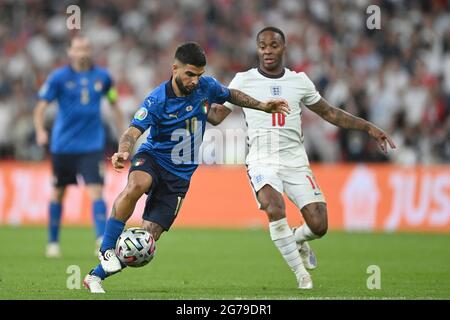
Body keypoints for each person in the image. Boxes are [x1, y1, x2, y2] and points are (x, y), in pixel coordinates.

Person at [83, 42, 290, 293]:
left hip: (180, 175)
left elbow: (230, 95)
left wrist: (263, 105)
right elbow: (132, 131)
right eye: (190, 74)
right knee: (138, 184)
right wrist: (124, 151)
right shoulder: (157, 99)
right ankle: (106, 248)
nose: (194, 80)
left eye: (199, 75)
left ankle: (95, 276)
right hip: (154, 158)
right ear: (175, 69)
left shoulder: (206, 86)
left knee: (147, 240)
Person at [207, 27, 396, 289]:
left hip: (296, 161)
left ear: (284, 48)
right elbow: (216, 117)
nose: (267, 50)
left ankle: (297, 238)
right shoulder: (242, 80)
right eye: (262, 45)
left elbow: (329, 113)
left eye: (273, 45)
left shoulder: (299, 81)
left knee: (319, 224)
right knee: (275, 208)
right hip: (262, 160)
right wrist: (193, 101)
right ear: (257, 49)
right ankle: (301, 275)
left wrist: (367, 127)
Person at [34, 36, 124, 258]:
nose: (82, 52)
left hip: (92, 145)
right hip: (63, 145)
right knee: (58, 192)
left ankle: (101, 240)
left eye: (85, 48)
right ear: (70, 51)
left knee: (96, 190)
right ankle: (53, 243)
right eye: (78, 48)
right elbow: (40, 107)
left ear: (90, 50)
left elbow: (114, 104)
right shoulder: (59, 77)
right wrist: (40, 130)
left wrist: (124, 133)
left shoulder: (102, 77)